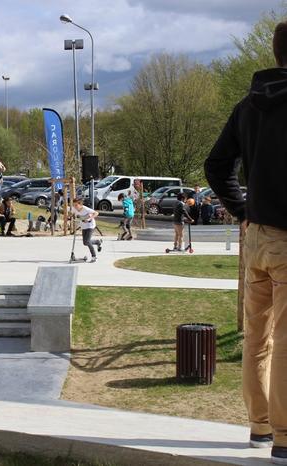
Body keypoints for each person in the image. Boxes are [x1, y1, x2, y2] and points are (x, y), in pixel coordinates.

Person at [204, 21, 287, 462]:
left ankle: (259, 427)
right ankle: (285, 437)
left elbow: (216, 166)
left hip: (255, 238)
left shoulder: (247, 106)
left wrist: (243, 212)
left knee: (259, 337)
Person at [70, 198, 103, 262]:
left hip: (90, 226)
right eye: (74, 205)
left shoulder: (85, 209)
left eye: (76, 205)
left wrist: (89, 218)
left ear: (80, 204)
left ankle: (94, 256)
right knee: (85, 243)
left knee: (87, 241)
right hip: (84, 227)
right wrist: (70, 217)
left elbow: (96, 213)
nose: (75, 207)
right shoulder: (74, 209)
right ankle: (97, 242)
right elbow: (72, 214)